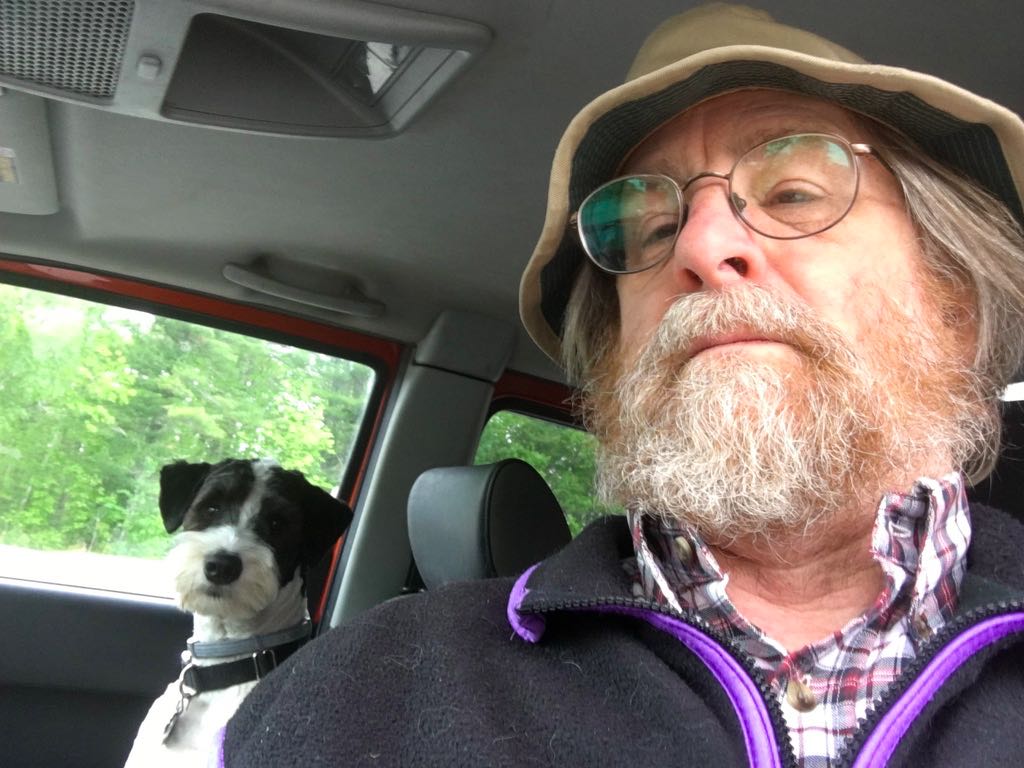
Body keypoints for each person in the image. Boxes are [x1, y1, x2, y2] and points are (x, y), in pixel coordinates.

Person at [219, 5, 1024, 767]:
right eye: (648, 231)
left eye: (792, 193)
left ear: (954, 305)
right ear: (615, 363)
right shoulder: (356, 693)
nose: (704, 246)